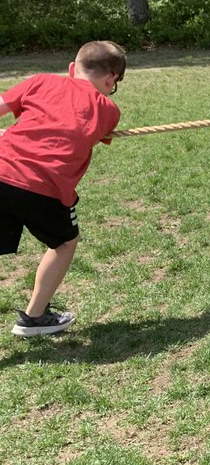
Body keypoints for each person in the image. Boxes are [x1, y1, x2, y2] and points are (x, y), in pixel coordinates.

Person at [1, 41, 124, 336]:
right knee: (65, 243)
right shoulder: (107, 110)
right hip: (44, 186)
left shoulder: (40, 80)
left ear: (72, 68)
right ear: (111, 79)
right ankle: (34, 317)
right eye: (114, 85)